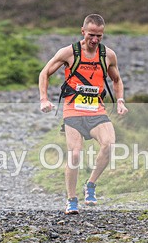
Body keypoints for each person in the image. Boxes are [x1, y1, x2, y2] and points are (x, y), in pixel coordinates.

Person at [39, 14, 128, 214]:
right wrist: (44, 99)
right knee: (75, 153)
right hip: (73, 109)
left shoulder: (108, 55)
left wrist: (120, 101)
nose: (95, 40)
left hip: (96, 109)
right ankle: (71, 200)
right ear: (83, 32)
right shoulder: (69, 53)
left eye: (99, 36)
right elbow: (44, 73)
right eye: (91, 35)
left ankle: (91, 185)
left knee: (109, 144)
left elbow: (117, 80)